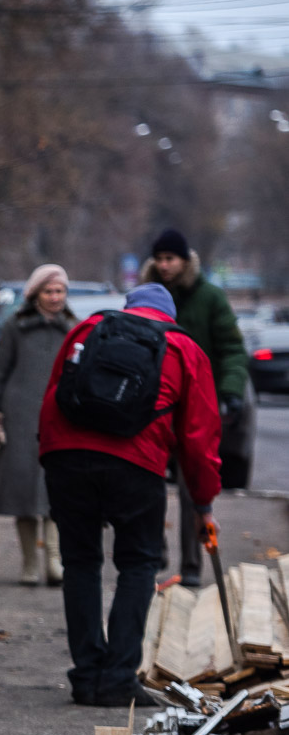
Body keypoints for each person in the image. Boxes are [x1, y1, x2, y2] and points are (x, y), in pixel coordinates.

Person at [39, 283, 221, 707]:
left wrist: (50, 456)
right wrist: (204, 504)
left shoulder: (89, 328)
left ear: (130, 308)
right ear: (169, 315)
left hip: (67, 457)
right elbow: (200, 438)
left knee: (80, 562)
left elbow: (54, 396)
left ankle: (86, 676)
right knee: (138, 564)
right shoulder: (184, 348)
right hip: (135, 464)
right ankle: (118, 679)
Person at [139, 229, 247, 587]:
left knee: (192, 491)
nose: (165, 265)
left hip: (195, 404)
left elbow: (232, 348)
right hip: (155, 407)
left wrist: (231, 390)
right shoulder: (147, 296)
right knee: (149, 483)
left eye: (171, 258)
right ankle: (154, 557)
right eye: (160, 258)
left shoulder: (210, 298)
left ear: (185, 260)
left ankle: (190, 567)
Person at [0, 264, 77, 586]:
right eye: (49, 291)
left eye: (60, 291)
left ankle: (54, 562)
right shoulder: (15, 327)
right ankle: (30, 564)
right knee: (23, 492)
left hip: (61, 417)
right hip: (19, 416)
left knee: (57, 490)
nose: (55, 297)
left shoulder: (74, 328)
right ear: (36, 294)